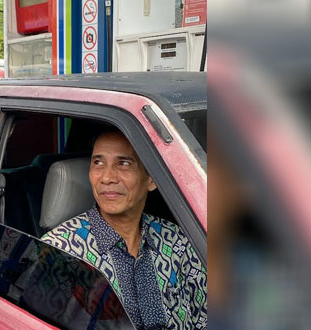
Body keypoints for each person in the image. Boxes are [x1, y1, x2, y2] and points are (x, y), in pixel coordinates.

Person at [42, 130, 207, 329]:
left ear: (152, 180)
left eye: (124, 163)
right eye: (98, 163)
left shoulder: (176, 240)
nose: (107, 177)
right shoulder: (59, 250)